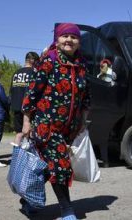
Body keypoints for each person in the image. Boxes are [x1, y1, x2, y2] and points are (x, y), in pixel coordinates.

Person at [22, 23, 90, 220]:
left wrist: (84, 121)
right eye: (64, 36)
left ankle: (27, 200)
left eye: (73, 37)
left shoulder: (82, 65)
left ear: (79, 41)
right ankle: (67, 210)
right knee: (61, 165)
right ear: (57, 39)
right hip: (47, 125)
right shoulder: (48, 61)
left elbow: (86, 96)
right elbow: (32, 93)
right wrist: (27, 122)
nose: (69, 40)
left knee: (48, 166)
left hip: (69, 127)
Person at [9, 51, 39, 145]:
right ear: (32, 60)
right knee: (29, 133)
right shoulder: (34, 72)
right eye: (37, 62)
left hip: (16, 106)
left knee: (19, 133)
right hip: (29, 108)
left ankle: (17, 156)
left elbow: (11, 90)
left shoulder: (16, 73)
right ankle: (27, 157)